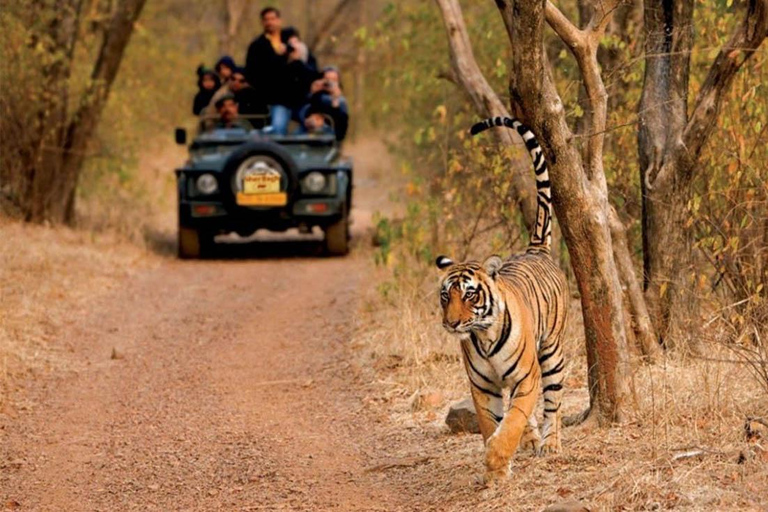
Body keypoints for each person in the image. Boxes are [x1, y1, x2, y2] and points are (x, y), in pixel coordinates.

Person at [244, 7, 298, 135]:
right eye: (266, 20)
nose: (270, 23)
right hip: (271, 98)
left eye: (273, 19)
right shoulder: (257, 45)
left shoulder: (290, 40)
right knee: (277, 130)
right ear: (262, 22)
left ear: (279, 20)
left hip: (293, 97)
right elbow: (252, 73)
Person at [299, 66, 349, 141]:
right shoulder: (315, 96)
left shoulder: (341, 101)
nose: (329, 83)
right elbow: (301, 111)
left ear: (338, 82)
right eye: (327, 79)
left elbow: (341, 125)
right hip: (307, 130)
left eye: (333, 80)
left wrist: (335, 100)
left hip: (328, 134)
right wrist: (312, 92)